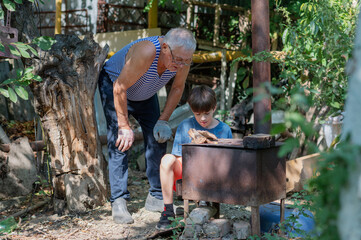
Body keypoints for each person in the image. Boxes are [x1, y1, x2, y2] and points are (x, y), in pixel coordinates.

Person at [98, 28, 197, 224]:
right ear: (165, 47)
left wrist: (163, 120)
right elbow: (120, 87)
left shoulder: (182, 57)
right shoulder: (147, 51)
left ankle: (156, 196)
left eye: (186, 61)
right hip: (115, 86)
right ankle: (118, 200)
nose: (181, 65)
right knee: (121, 141)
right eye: (178, 60)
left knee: (158, 136)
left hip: (144, 91)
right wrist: (124, 126)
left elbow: (177, 88)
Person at [156, 85, 233, 230]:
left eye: (206, 113)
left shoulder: (224, 129)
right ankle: (168, 211)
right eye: (197, 114)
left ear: (214, 108)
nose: (202, 118)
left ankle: (204, 201)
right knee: (167, 159)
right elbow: (178, 157)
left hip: (214, 174)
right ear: (192, 110)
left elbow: (228, 162)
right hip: (188, 172)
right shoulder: (185, 126)